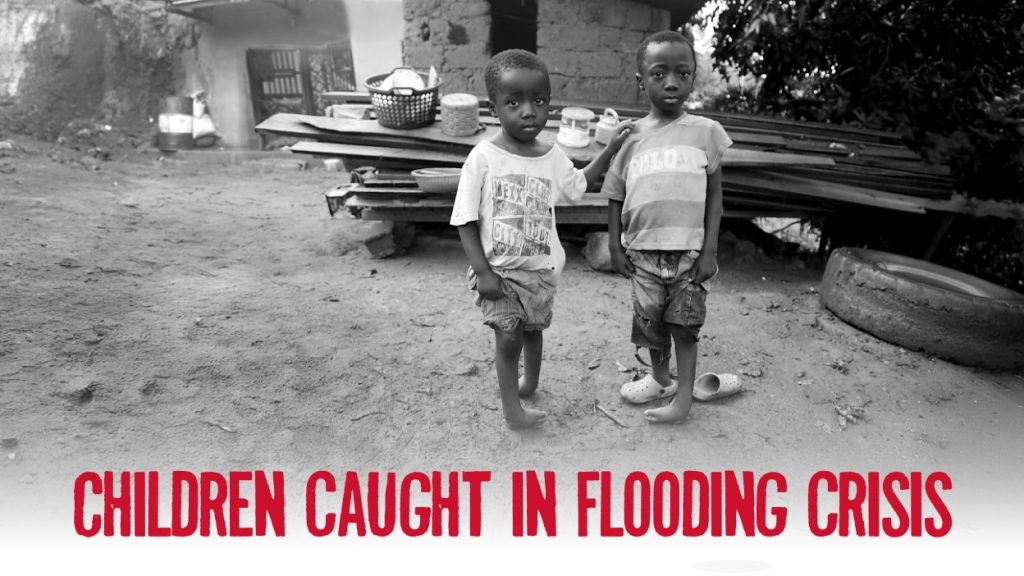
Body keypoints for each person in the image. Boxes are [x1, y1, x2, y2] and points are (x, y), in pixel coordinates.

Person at [451, 49, 630, 430]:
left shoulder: (551, 154)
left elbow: (580, 185)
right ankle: (512, 411)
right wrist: (482, 271)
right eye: (513, 102)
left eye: (539, 100)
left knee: (533, 331)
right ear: (493, 108)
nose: (528, 111)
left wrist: (611, 148)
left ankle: (529, 383)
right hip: (499, 272)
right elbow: (464, 219)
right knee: (509, 337)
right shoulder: (482, 158)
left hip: (540, 272)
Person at [602, 30, 733, 424]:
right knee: (650, 322)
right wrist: (613, 244)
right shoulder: (630, 138)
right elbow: (614, 193)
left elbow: (714, 197)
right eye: (659, 74)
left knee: (685, 324)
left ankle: (684, 399)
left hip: (690, 253)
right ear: (642, 80)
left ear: (693, 76)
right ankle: (660, 378)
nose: (672, 82)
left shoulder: (706, 132)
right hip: (642, 252)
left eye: (682, 73)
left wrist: (710, 248)